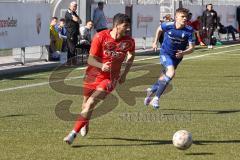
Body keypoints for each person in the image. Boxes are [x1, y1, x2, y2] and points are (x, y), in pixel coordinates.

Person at [63, 13, 135, 145]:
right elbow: (90, 59)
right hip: (92, 75)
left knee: (90, 103)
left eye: (129, 26)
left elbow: (131, 55)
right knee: (85, 104)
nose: (128, 29)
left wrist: (124, 74)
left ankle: (73, 134)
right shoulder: (100, 37)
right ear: (116, 26)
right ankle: (85, 122)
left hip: (110, 79)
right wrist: (101, 65)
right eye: (125, 26)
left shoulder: (129, 42)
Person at [144, 8, 195, 109]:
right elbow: (159, 29)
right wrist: (155, 42)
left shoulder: (189, 31)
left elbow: (192, 48)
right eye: (182, 16)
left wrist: (183, 52)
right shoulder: (168, 25)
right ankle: (156, 99)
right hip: (165, 53)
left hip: (177, 57)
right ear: (176, 17)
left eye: (186, 17)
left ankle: (151, 91)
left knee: (164, 77)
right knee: (171, 73)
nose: (185, 18)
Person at [65, 1, 81, 65]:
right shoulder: (68, 13)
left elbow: (80, 21)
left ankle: (69, 62)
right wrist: (77, 19)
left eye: (76, 6)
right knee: (72, 48)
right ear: (70, 6)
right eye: (74, 6)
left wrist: (77, 19)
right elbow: (76, 20)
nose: (75, 7)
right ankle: (72, 62)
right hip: (70, 33)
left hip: (75, 33)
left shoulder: (74, 13)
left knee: (72, 48)